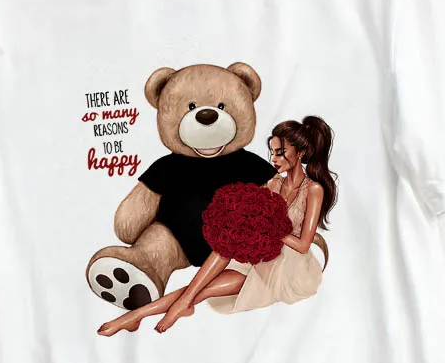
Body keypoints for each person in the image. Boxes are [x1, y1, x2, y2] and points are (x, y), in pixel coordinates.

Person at [97, 116, 338, 336]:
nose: (274, 159)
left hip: (288, 266)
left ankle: (147, 313)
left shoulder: (313, 189)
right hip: (262, 253)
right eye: (272, 152)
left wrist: (270, 227)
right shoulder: (273, 184)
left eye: (281, 153)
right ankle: (140, 315)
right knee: (224, 247)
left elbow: (303, 245)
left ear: (301, 152)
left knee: (204, 288)